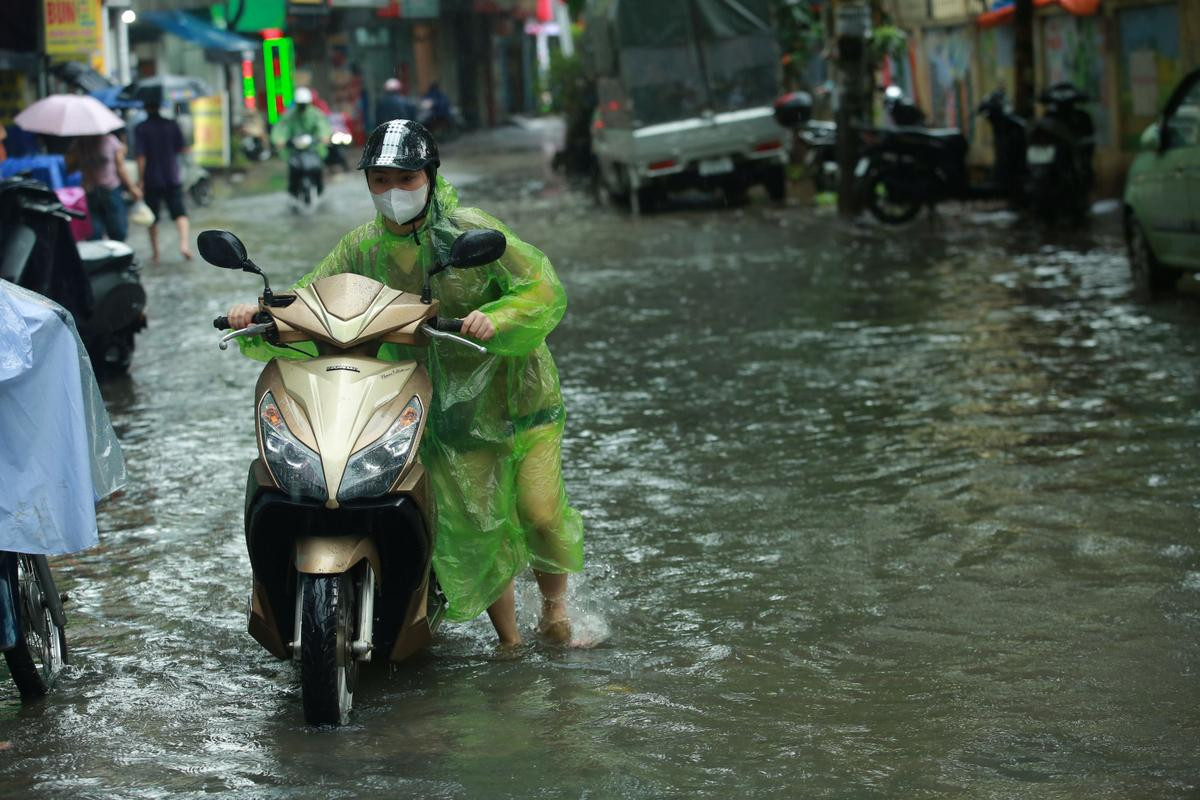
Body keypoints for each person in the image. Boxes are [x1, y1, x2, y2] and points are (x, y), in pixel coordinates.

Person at [227, 120, 584, 646]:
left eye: (406, 177)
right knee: (473, 526)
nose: (393, 191)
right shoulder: (360, 248)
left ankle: (555, 610)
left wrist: (499, 318)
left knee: (539, 511)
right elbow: (311, 299)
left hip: (516, 402)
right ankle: (509, 644)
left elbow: (541, 289)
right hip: (439, 412)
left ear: (431, 176)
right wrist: (258, 313)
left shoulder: (471, 229)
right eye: (379, 180)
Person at [135, 102, 190, 262]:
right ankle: (184, 245)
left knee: (152, 217)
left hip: (151, 178)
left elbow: (141, 156)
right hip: (172, 175)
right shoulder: (172, 124)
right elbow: (181, 148)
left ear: (146, 107)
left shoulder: (141, 128)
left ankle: (156, 253)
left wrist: (140, 179)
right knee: (179, 212)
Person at [65, 132, 141, 242]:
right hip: (109, 190)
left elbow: (70, 168)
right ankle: (116, 256)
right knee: (117, 232)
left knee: (95, 233)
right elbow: (120, 167)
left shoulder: (79, 142)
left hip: (91, 191)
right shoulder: (109, 140)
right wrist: (131, 187)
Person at [270, 87, 331, 163]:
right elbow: (282, 127)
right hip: (294, 146)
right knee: (285, 154)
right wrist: (279, 139)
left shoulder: (315, 114)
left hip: (313, 145)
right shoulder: (290, 114)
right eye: (300, 104)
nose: (302, 107)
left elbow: (322, 125)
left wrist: (324, 136)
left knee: (322, 151)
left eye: (304, 104)